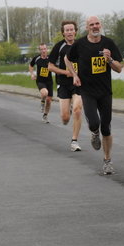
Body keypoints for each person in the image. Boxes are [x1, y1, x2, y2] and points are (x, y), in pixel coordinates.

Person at [65, 16, 123, 174]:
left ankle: (107, 160)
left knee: (107, 128)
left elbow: (119, 68)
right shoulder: (80, 44)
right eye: (92, 25)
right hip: (87, 91)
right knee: (94, 123)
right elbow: (67, 59)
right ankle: (94, 132)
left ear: (101, 25)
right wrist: (75, 75)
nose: (95, 26)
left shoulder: (108, 43)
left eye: (97, 24)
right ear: (87, 28)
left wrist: (109, 59)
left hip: (105, 92)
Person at [48, 21, 83, 152]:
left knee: (78, 109)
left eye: (71, 30)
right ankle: (67, 111)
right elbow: (50, 66)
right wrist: (66, 73)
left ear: (75, 31)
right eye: (67, 30)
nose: (69, 32)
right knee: (65, 118)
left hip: (78, 83)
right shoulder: (59, 47)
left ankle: (74, 140)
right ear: (63, 33)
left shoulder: (81, 45)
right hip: (63, 83)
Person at [29, 43, 53, 124]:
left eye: (45, 49)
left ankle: (45, 115)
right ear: (40, 50)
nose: (43, 51)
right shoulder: (37, 58)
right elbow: (31, 65)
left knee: (49, 100)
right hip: (40, 81)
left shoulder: (50, 58)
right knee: (45, 93)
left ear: (47, 49)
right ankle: (42, 101)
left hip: (49, 81)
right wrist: (32, 74)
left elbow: (56, 66)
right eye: (42, 49)